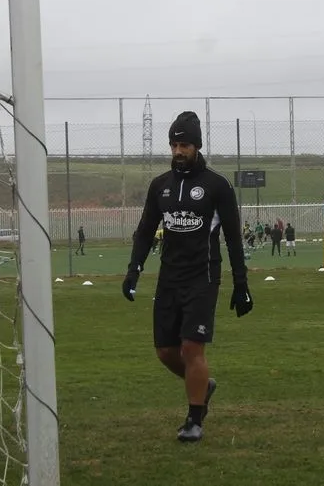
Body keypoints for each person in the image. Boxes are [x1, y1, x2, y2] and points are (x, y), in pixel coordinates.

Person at [122, 111, 253, 443]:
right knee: (166, 352)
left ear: (196, 146)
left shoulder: (216, 186)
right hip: (169, 278)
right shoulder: (160, 187)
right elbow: (145, 231)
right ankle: (203, 384)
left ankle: (195, 419)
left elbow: (234, 237)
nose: (178, 151)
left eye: (184, 145)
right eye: (174, 144)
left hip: (203, 277)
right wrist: (133, 270)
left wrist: (241, 283)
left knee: (192, 347)